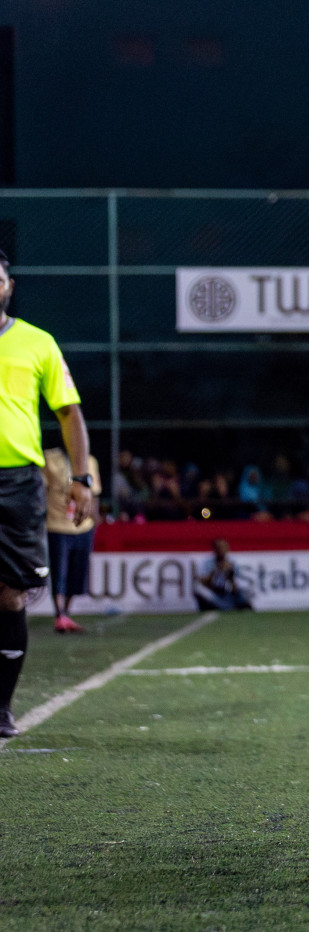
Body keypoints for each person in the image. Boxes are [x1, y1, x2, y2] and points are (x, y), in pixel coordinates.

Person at [0, 250, 95, 738]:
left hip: (17, 485)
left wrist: (82, 478)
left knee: (10, 596)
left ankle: (2, 705)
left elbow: (69, 413)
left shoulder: (37, 342)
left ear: (7, 285)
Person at [43, 446, 101, 633]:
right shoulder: (50, 459)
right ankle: (59, 614)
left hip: (83, 526)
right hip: (57, 524)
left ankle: (66, 613)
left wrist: (95, 517)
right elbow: (41, 490)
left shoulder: (90, 460)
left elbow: (95, 493)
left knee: (77, 573)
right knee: (59, 571)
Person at [194, 538, 253, 611]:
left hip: (227, 594)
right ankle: (225, 607)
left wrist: (230, 574)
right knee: (199, 590)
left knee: (245, 592)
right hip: (213, 593)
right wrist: (216, 571)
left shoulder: (233, 562)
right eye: (218, 548)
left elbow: (236, 588)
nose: (221, 550)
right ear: (214, 549)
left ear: (227, 549)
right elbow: (202, 581)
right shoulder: (207, 562)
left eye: (223, 547)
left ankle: (232, 606)